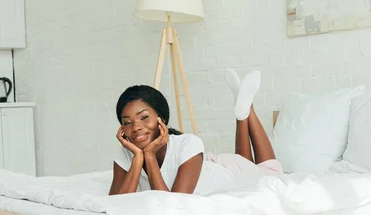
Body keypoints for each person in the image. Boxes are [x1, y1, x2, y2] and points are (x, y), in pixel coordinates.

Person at [108, 69, 284, 195]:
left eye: (144, 117)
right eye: (127, 123)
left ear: (162, 119)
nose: (136, 127)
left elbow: (172, 205)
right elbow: (116, 202)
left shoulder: (188, 142)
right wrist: (139, 158)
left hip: (227, 170)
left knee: (272, 172)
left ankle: (247, 110)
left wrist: (150, 157)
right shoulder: (128, 153)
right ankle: (243, 109)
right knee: (246, 161)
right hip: (215, 165)